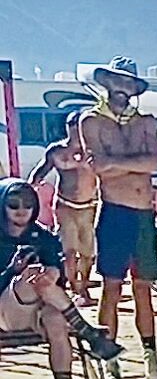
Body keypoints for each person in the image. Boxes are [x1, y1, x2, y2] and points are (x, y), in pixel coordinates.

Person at [79, 57, 157, 379]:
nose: (123, 90)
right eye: (117, 83)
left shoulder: (146, 121)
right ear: (107, 84)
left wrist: (116, 162)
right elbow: (100, 169)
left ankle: (152, 362)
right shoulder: (91, 121)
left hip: (144, 213)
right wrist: (131, 164)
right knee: (111, 288)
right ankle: (110, 362)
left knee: (144, 289)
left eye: (129, 84)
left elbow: (154, 161)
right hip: (116, 211)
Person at [0, 178, 122, 379]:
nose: (22, 210)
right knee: (29, 279)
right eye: (13, 204)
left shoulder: (42, 236)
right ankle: (89, 333)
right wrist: (12, 271)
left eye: (28, 203)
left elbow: (59, 283)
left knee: (55, 318)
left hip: (38, 308)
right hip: (4, 310)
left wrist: (53, 273)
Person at [28, 111, 98, 305]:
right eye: (72, 126)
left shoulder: (94, 152)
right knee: (69, 250)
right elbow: (41, 170)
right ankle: (76, 289)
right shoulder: (57, 151)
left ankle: (83, 287)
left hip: (89, 207)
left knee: (88, 253)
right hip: (65, 206)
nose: (76, 130)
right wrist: (32, 185)